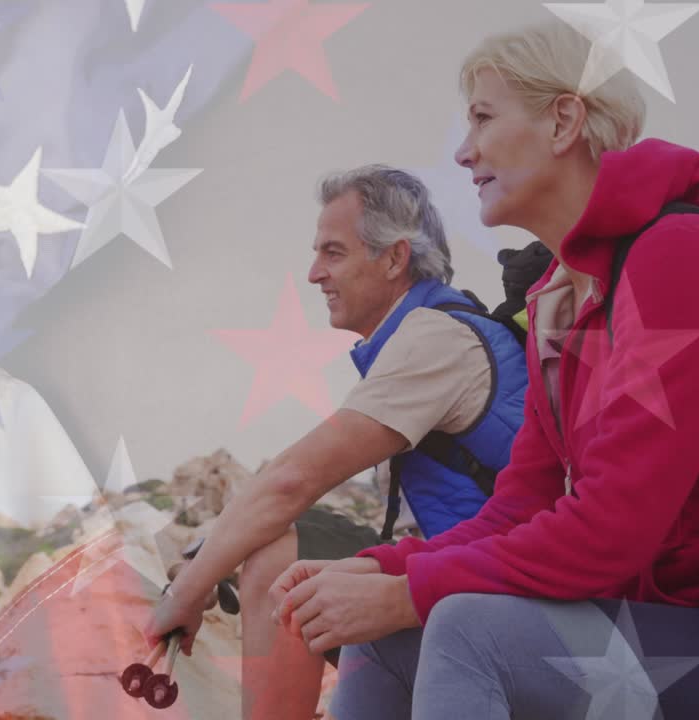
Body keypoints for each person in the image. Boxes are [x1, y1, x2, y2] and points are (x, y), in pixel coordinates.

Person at [271, 19, 699, 720]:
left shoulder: (679, 259)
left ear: (564, 120)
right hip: (681, 638)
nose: (463, 150)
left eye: (483, 117)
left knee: (463, 629)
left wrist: (408, 592)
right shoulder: (554, 301)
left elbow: (611, 530)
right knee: (383, 640)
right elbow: (521, 507)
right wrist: (378, 571)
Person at [143, 165, 529, 719]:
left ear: (395, 258)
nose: (313, 273)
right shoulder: (428, 329)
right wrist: (212, 550)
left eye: (333, 253)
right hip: (473, 576)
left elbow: (294, 480)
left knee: (281, 555)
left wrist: (187, 595)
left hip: (497, 594)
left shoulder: (434, 339)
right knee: (283, 543)